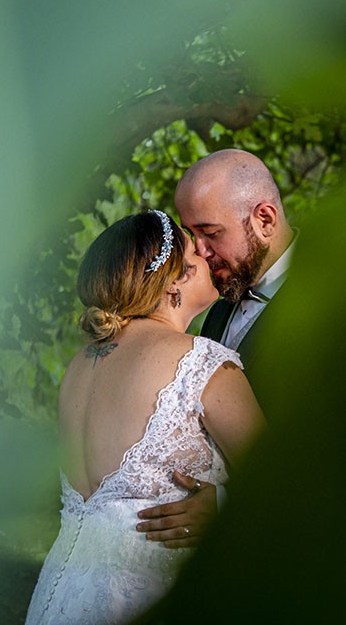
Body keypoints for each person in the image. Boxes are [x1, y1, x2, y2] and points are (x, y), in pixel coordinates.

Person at [24, 210, 264, 625]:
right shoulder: (201, 363)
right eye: (194, 251)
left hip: (61, 598)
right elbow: (283, 478)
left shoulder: (79, 368)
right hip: (152, 599)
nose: (206, 253)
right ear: (172, 281)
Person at [134, 149, 294, 546]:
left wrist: (226, 506)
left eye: (211, 233)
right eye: (193, 235)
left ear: (265, 220)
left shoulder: (336, 301)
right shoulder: (219, 307)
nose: (200, 252)